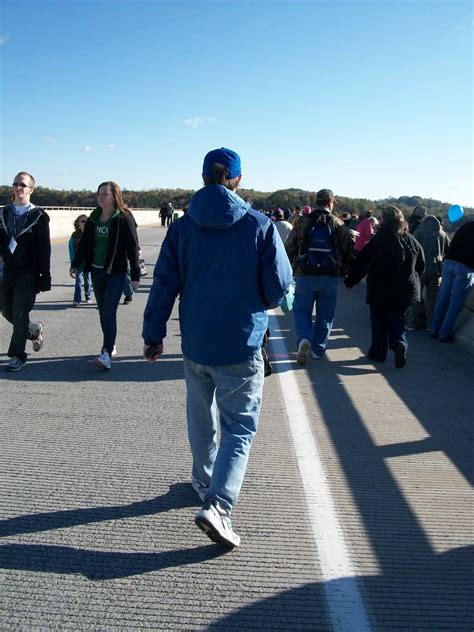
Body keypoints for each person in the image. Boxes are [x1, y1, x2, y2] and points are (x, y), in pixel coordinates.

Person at [142, 147, 292, 548]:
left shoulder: (182, 226)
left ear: (204, 176)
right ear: (238, 179)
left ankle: (204, 477)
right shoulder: (260, 226)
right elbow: (277, 289)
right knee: (239, 427)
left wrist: (153, 336)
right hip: (240, 343)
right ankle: (219, 506)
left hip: (195, 342)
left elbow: (163, 285)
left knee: (200, 416)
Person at [70, 181, 141, 370]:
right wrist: (76, 264)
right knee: (103, 312)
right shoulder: (93, 218)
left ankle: (106, 353)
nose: (101, 197)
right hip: (96, 271)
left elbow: (133, 248)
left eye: (105, 194)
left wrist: (135, 276)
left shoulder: (123, 218)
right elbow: (85, 244)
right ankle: (110, 343)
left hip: (116, 272)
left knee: (109, 311)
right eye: (99, 194)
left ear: (115, 196)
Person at [344, 206, 425, 368]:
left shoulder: (379, 240)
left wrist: (350, 281)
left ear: (384, 221)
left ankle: (378, 354)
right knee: (397, 319)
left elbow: (363, 262)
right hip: (405, 289)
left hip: (380, 289)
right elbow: (422, 265)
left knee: (379, 321)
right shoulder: (412, 241)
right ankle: (399, 342)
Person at [285, 188, 354, 363]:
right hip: (329, 276)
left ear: (317, 202)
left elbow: (290, 247)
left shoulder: (302, 221)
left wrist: (289, 270)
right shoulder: (338, 223)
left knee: (301, 310)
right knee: (325, 316)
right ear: (331, 203)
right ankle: (317, 350)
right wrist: (347, 274)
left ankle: (304, 339)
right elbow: (348, 250)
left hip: (305, 274)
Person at [0, 172, 51, 371]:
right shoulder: (4, 213)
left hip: (28, 273)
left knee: (20, 313)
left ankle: (18, 355)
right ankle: (33, 329)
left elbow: (44, 249)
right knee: (6, 310)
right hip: (6, 271)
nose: (18, 188)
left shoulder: (38, 216)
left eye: (23, 184)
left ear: (31, 189)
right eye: (16, 184)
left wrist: (44, 276)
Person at [430, 219, 474, 342]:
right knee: (455, 303)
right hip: (466, 267)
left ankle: (434, 329)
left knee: (442, 299)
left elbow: (453, 242)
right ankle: (444, 333)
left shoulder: (467, 225)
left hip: (450, 262)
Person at [406, 215, 450, 331]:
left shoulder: (419, 231)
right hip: (436, 269)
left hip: (420, 268)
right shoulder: (443, 234)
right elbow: (448, 250)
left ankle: (412, 322)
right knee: (433, 298)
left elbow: (411, 248)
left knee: (415, 296)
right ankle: (430, 324)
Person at [69, 214, 92, 307]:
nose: (85, 223)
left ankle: (88, 295)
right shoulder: (74, 235)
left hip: (88, 262)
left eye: (87, 221)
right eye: (82, 221)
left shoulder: (91, 233)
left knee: (88, 280)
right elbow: (71, 249)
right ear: (78, 224)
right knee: (78, 280)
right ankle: (77, 299)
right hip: (78, 262)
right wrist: (73, 264)